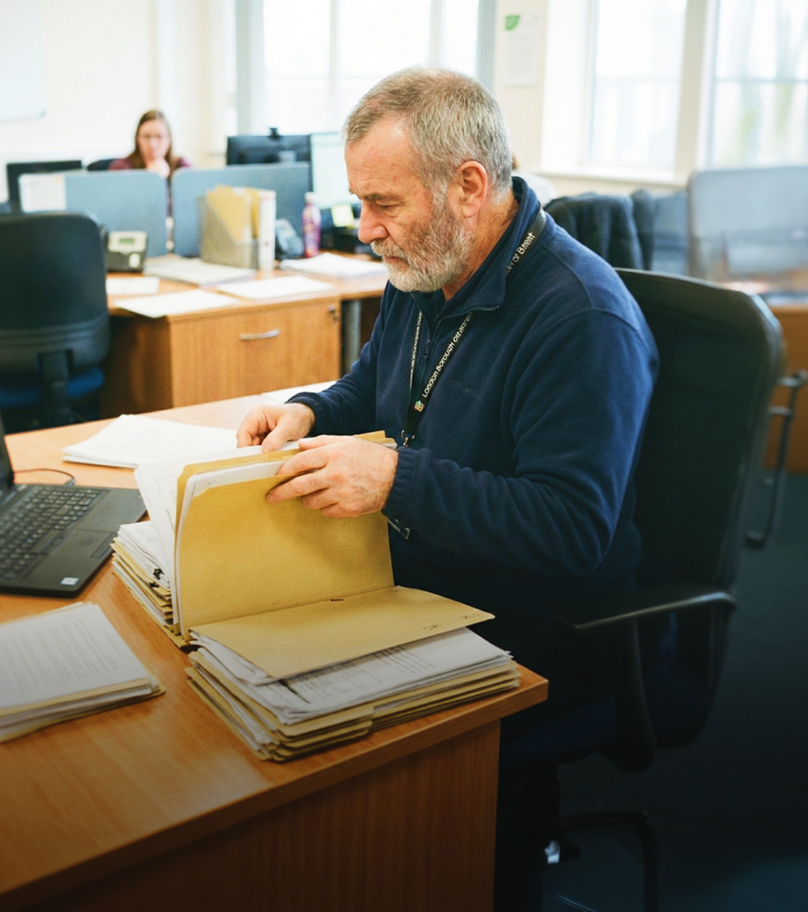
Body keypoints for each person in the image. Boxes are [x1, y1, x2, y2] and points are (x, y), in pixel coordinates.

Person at [236, 67, 662, 726]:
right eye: (359, 203)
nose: (367, 229)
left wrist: (395, 481)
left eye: (384, 203)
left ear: (468, 186)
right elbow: (374, 382)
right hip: (417, 577)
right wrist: (312, 410)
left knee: (299, 732)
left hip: (531, 626)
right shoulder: (428, 266)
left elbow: (571, 529)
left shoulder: (582, 319)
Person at [110, 109, 190, 178]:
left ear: (169, 139)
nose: (152, 144)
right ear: (137, 139)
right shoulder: (121, 169)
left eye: (159, 137)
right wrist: (149, 178)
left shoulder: (182, 169)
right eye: (146, 137)